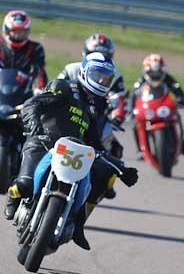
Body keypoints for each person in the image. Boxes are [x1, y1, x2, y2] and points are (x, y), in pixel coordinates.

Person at [4, 52, 139, 250]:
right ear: (84, 71)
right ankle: (13, 194)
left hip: (71, 154)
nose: (101, 80)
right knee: (24, 184)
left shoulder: (92, 110)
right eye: (97, 75)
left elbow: (96, 145)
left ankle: (78, 225)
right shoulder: (64, 88)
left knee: (103, 175)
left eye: (105, 78)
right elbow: (33, 104)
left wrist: (121, 168)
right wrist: (34, 125)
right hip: (43, 143)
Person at [57, 33, 126, 160]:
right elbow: (56, 88)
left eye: (106, 56)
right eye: (94, 53)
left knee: (114, 150)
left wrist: (117, 116)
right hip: (69, 114)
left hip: (98, 117)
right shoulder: (71, 69)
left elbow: (120, 99)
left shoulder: (114, 75)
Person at [126, 53, 184, 156]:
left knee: (177, 117)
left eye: (158, 72)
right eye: (152, 72)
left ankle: (181, 142)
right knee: (135, 123)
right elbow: (133, 94)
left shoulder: (167, 78)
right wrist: (130, 109)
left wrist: (180, 99)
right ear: (146, 70)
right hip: (147, 108)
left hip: (163, 107)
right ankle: (140, 149)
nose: (155, 75)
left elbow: (177, 89)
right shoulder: (141, 80)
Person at [0, 10, 47, 96]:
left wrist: (40, 90)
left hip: (23, 94)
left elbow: (40, 72)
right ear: (6, 30)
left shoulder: (36, 48)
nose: (18, 35)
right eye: (15, 31)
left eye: (21, 32)